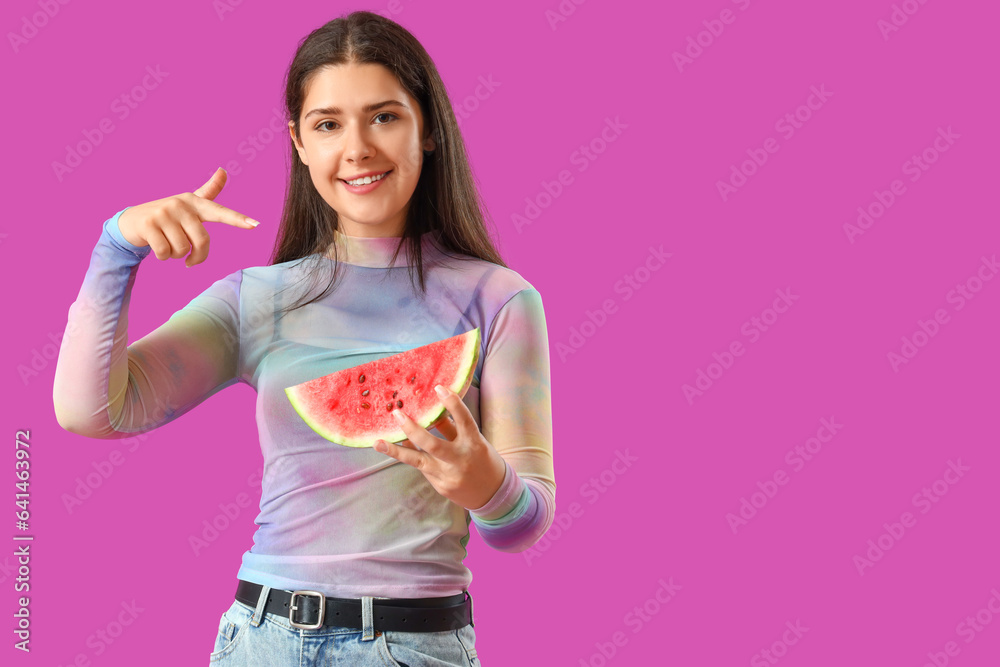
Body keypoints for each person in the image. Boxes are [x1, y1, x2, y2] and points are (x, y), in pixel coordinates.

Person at [51, 10, 555, 666]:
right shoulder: (255, 300)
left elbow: (523, 524)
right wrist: (117, 245)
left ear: (426, 128)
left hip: (416, 643)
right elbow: (93, 412)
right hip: (263, 636)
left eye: (384, 116)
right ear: (299, 142)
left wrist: (488, 485)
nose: (357, 149)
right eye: (328, 124)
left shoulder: (500, 300)